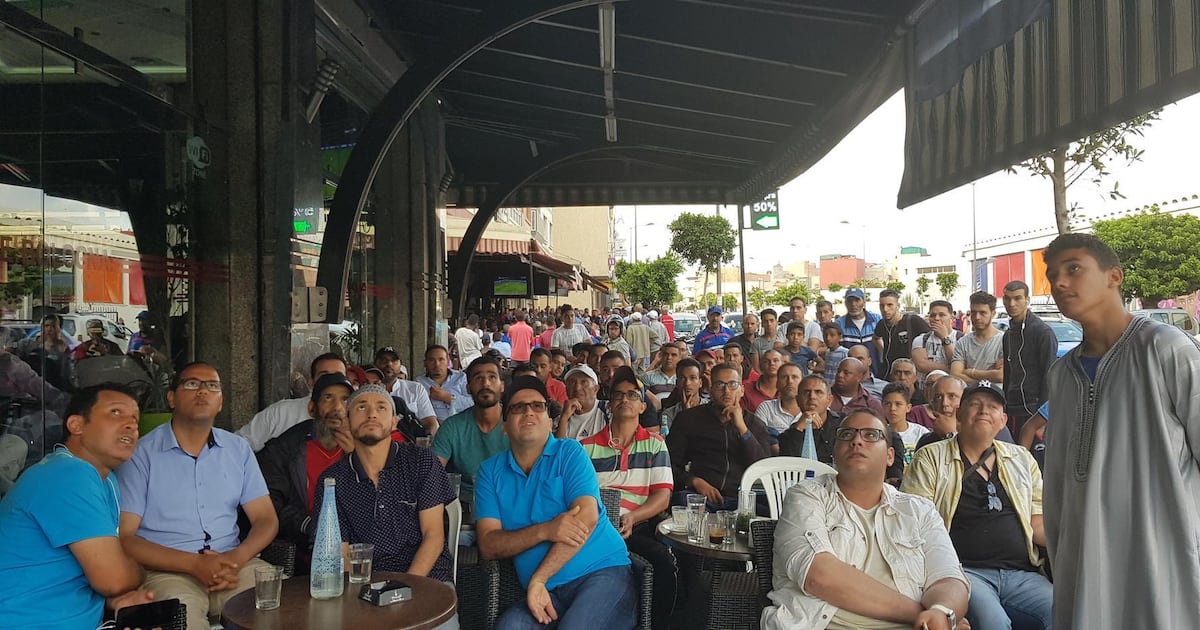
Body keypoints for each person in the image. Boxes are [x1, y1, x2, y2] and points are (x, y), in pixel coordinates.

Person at [1042, 233, 1200, 629]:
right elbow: (1059, 480)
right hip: (1083, 559)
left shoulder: (1165, 348)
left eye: (1073, 269)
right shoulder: (1062, 375)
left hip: (1161, 557)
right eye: (1052, 275)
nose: (1059, 283)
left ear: (1114, 276)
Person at [761, 410, 970, 630]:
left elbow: (949, 578)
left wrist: (941, 611)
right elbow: (818, 576)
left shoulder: (919, 510)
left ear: (890, 456)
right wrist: (927, 617)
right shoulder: (806, 496)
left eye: (871, 435)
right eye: (846, 434)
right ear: (834, 452)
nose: (857, 441)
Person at [118, 362, 279, 630]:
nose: (203, 391)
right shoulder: (141, 454)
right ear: (172, 398)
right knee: (185, 619)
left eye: (212, 386)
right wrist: (194, 564)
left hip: (233, 565)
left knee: (279, 612)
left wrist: (235, 559)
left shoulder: (237, 449)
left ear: (221, 402)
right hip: (169, 572)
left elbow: (266, 519)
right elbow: (126, 538)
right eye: (192, 384)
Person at [475, 376, 636, 629]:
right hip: (546, 593)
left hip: (601, 572)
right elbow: (488, 544)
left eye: (538, 406)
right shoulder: (490, 472)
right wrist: (545, 530)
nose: (529, 411)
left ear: (550, 422)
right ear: (504, 426)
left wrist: (539, 579)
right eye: (518, 407)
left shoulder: (569, 452)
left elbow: (586, 517)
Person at [0, 384, 153, 627]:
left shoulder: (105, 481)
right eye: (116, 412)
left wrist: (110, 600)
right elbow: (113, 579)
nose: (131, 425)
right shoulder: (67, 473)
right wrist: (138, 571)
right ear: (76, 425)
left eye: (135, 418)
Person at [902, 381, 1052, 630]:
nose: (983, 411)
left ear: (1003, 420)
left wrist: (1074, 543)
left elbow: (1037, 523)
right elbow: (914, 523)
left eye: (992, 407)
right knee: (994, 622)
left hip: (1022, 573)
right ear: (959, 415)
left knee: (1063, 611)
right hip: (964, 572)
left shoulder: (1022, 459)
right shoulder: (930, 457)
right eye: (975, 404)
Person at [316, 384, 456, 581]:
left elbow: (433, 536)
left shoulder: (421, 461)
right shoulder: (332, 480)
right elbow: (341, 552)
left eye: (381, 407)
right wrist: (358, 592)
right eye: (361, 407)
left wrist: (403, 588)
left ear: (394, 422)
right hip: (365, 584)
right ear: (347, 420)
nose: (371, 414)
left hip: (426, 579)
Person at [580, 367, 676, 627]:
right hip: (595, 528)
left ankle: (656, 624)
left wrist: (633, 517)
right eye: (618, 395)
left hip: (636, 525)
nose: (624, 399)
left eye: (632, 394)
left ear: (642, 406)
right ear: (609, 405)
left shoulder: (655, 443)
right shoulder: (585, 447)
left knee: (664, 561)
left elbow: (662, 496)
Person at [255, 372, 355, 557]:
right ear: (312, 408)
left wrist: (357, 460)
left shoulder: (365, 447)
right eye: (328, 398)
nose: (337, 408)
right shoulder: (285, 448)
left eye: (345, 400)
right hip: (301, 547)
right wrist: (308, 524)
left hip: (356, 546)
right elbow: (268, 503)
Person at [665, 363, 770, 510]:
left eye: (733, 384)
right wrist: (694, 481)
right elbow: (669, 464)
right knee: (682, 501)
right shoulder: (689, 419)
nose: (726, 391)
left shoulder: (755, 424)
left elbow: (763, 468)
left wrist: (742, 429)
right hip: (701, 495)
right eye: (719, 385)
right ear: (710, 390)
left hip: (741, 498)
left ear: (742, 390)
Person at [236, 353, 347, 451]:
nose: (332, 381)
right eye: (324, 376)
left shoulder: (352, 416)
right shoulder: (281, 413)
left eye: (338, 376)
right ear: (311, 383)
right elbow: (239, 445)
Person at [433, 356, 510, 492]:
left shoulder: (516, 424)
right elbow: (431, 475)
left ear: (502, 386)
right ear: (468, 388)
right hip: (465, 501)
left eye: (492, 377)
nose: (486, 384)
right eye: (478, 378)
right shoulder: (452, 427)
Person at [999, 280, 1057, 438]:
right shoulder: (1007, 335)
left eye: (1017, 298)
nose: (1012, 304)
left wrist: (1042, 417)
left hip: (1033, 408)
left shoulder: (1043, 332)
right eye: (1007, 298)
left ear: (1027, 300)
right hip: (1011, 407)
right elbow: (1008, 375)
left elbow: (1049, 375)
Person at [776, 375, 843, 464]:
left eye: (818, 392)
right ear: (798, 400)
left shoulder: (844, 424)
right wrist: (798, 430)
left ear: (829, 400)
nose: (812, 397)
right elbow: (789, 465)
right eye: (806, 392)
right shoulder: (790, 434)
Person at [376, 346, 440, 437]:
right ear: (375, 364)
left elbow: (430, 422)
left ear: (400, 365)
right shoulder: (368, 391)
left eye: (394, 361)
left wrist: (426, 441)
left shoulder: (415, 388)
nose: (389, 364)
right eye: (383, 360)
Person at [950, 291, 1005, 386]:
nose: (977, 317)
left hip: (997, 395)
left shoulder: (1004, 340)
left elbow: (1001, 375)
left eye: (983, 313)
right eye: (973, 312)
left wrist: (970, 372)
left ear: (993, 314)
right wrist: (984, 384)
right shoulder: (963, 342)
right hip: (970, 394)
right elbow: (955, 375)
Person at [754, 362, 805, 454]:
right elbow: (759, 441)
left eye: (794, 377)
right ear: (777, 383)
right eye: (784, 377)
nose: (790, 381)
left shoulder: (813, 411)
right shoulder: (766, 408)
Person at [874, 289, 930, 374]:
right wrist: (883, 353)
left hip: (909, 372)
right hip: (889, 371)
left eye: (890, 305)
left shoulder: (912, 320)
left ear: (898, 305)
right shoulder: (881, 324)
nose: (885, 309)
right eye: (882, 306)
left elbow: (930, 339)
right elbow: (876, 338)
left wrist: (920, 357)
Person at [415, 345, 472, 423]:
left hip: (461, 424)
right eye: (432, 360)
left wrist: (449, 398)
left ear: (448, 362)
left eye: (441, 359)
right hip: (433, 427)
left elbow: (473, 403)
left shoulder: (461, 378)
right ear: (425, 363)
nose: (437, 364)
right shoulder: (419, 383)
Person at [835, 288, 883, 375]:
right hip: (850, 375)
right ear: (845, 303)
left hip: (876, 374)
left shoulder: (877, 320)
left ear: (864, 302)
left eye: (857, 300)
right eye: (849, 301)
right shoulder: (839, 324)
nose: (853, 304)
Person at [911, 301, 962, 380]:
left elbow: (956, 362)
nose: (936, 318)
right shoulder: (921, 339)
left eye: (942, 315)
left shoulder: (962, 339)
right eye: (933, 315)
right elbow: (921, 365)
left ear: (951, 318)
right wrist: (952, 369)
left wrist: (944, 338)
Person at [557, 364, 608, 440]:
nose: (577, 388)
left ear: (595, 389)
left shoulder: (608, 410)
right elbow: (558, 446)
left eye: (584, 382)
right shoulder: (561, 417)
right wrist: (563, 419)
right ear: (566, 389)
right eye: (572, 382)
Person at [881, 383, 927, 466]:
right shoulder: (880, 433)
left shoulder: (921, 433)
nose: (892, 409)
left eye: (898, 404)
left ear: (908, 408)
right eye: (888, 404)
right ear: (882, 407)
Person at [659, 358, 706, 435]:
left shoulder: (711, 408)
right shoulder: (668, 414)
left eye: (692, 378)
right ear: (677, 383)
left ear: (700, 383)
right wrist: (685, 415)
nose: (687, 383)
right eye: (682, 378)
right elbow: (670, 440)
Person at [741, 347, 782, 413]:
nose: (771, 363)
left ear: (783, 364)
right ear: (760, 365)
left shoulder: (789, 389)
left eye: (776, 360)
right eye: (766, 361)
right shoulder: (746, 389)